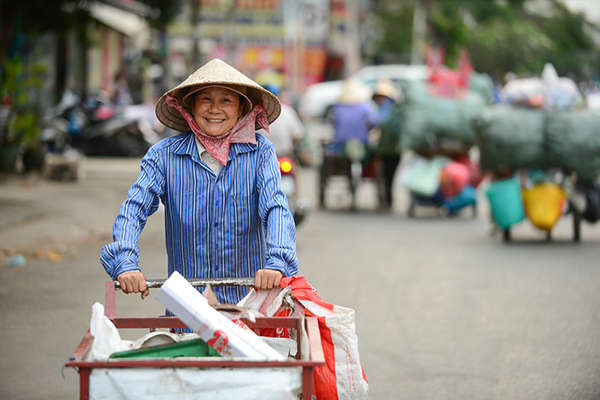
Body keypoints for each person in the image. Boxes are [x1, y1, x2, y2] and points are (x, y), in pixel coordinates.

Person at [100, 58, 299, 305]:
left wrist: (277, 262)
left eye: (226, 100)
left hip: (247, 305)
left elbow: (276, 209)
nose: (215, 109)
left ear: (241, 110)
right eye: (206, 99)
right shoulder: (163, 155)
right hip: (186, 309)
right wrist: (125, 263)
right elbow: (134, 208)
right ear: (191, 107)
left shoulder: (260, 153)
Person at [372, 78, 403, 210]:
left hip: (394, 148)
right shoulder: (374, 108)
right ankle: (385, 198)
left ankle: (388, 199)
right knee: (383, 174)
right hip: (382, 148)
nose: (381, 98)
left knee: (390, 174)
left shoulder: (395, 111)